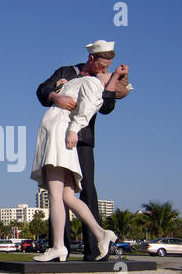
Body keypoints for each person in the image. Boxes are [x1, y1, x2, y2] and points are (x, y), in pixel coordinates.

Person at [35, 40, 130, 261]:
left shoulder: (97, 82)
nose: (105, 70)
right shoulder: (67, 71)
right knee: (63, 194)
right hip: (59, 133)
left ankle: (94, 249)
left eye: (109, 68)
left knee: (83, 189)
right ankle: (62, 246)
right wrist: (57, 94)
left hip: (80, 138)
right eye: (103, 66)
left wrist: (114, 79)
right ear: (91, 59)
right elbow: (42, 90)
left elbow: (105, 107)